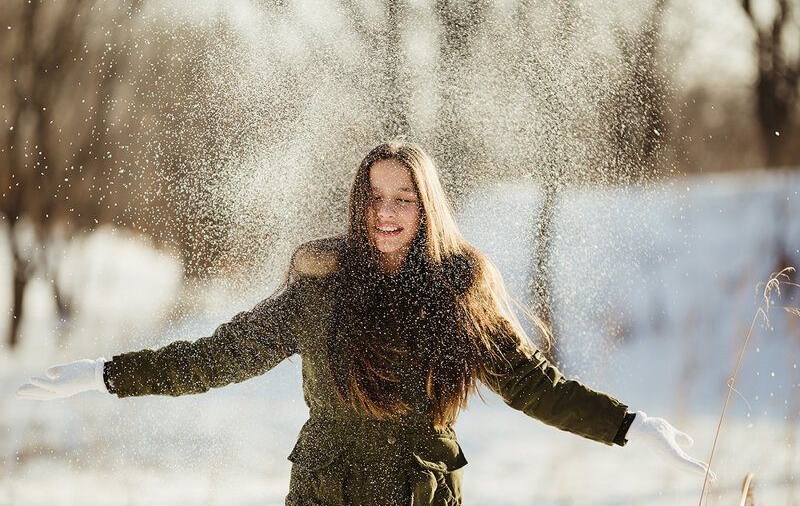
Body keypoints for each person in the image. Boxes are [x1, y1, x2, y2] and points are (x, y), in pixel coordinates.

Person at [17, 141, 714, 504]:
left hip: (422, 494)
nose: (386, 211)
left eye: (403, 197)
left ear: (426, 206)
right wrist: (110, 376)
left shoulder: (461, 291)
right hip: (326, 492)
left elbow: (535, 385)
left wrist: (629, 426)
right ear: (359, 202)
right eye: (375, 196)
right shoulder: (317, 289)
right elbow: (218, 355)